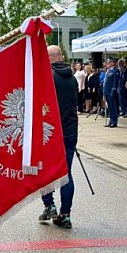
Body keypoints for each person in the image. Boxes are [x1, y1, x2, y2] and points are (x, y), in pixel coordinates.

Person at [39, 45, 78, 229]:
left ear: (48, 58)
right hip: (70, 130)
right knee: (66, 174)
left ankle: (49, 205)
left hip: (51, 132)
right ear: (61, 57)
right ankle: (65, 215)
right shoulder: (73, 78)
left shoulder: (47, 77)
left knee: (44, 170)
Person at [102, 57, 120, 128]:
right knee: (109, 107)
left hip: (111, 91)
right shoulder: (108, 71)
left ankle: (114, 122)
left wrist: (113, 91)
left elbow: (115, 82)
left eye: (109, 62)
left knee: (113, 107)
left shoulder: (116, 71)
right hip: (107, 91)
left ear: (113, 63)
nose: (108, 63)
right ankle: (111, 121)